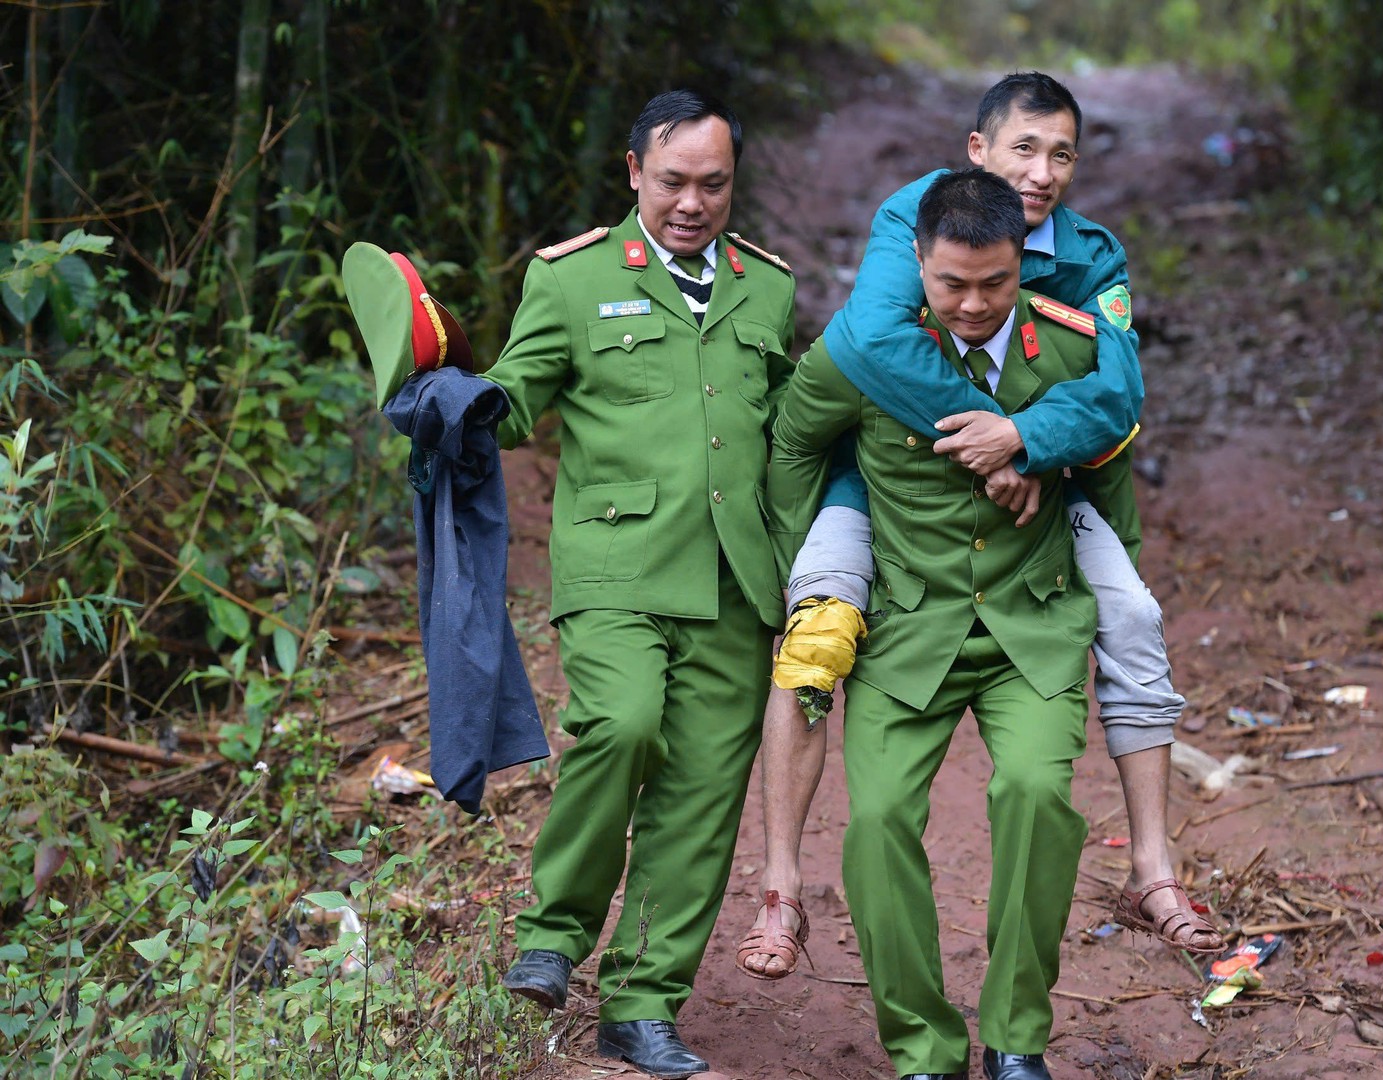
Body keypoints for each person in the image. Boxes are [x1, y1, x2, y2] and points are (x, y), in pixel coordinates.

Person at [737, 72, 1219, 982]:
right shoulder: (915, 214)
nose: (1041, 172)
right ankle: (781, 887)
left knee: (1131, 616)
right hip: (886, 478)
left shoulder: (1089, 253)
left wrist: (1026, 442)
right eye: (1023, 149)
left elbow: (1117, 395)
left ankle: (1152, 868)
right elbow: (874, 345)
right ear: (978, 152)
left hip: (1041, 480)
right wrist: (985, 445)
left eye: (1061, 153)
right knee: (814, 637)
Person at [769, 167, 1138, 1080]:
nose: (974, 306)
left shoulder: (1071, 346)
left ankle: (1016, 1039)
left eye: (995, 284)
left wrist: (1042, 461)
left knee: (1033, 798)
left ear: (1024, 265)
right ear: (916, 265)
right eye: (951, 284)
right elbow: (790, 441)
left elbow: (1112, 480)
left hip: (1033, 627)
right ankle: (923, 1049)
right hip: (908, 629)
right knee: (877, 823)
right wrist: (811, 572)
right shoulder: (866, 350)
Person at [482, 89, 796, 1080]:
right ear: (633, 174)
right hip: (616, 565)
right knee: (619, 724)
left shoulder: (767, 288)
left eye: (713, 183)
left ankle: (643, 1003)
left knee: (702, 796)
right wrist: (459, 399)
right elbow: (518, 392)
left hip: (736, 579)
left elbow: (790, 430)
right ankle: (551, 933)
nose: (692, 202)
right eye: (672, 181)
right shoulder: (571, 280)